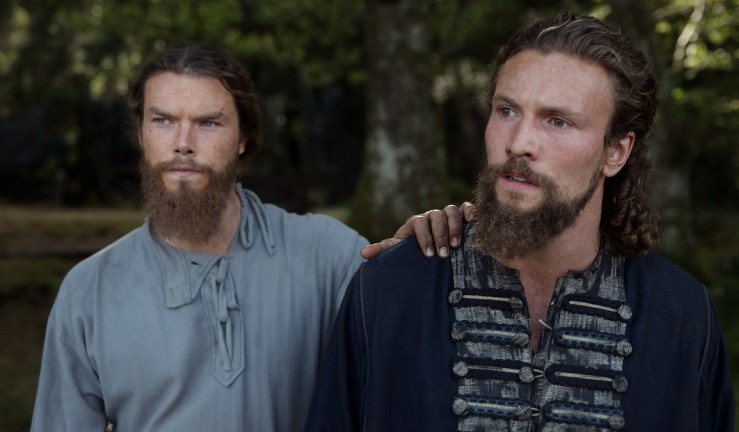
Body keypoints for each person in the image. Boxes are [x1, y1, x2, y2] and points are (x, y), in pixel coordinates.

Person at [304, 12, 735, 432]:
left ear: (615, 152)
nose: (519, 142)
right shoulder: (388, 291)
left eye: (558, 121)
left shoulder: (682, 315)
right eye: (507, 111)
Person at [30, 43, 469, 432]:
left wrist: (427, 249)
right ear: (141, 133)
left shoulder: (328, 254)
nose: (183, 143)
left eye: (208, 123)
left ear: (244, 136)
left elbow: (411, 346)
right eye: (162, 120)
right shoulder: (88, 291)